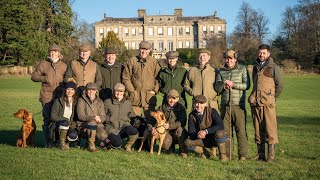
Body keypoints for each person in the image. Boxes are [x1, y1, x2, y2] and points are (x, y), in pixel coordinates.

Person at [248, 44, 283, 162]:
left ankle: (271, 156)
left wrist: (272, 97)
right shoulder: (255, 67)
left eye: (264, 53)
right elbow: (254, 83)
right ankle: (260, 154)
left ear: (268, 54)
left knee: (270, 129)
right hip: (255, 103)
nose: (261, 55)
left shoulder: (274, 67)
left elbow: (280, 86)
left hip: (268, 103)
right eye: (260, 52)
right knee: (258, 130)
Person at [215, 50, 250, 160]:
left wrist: (234, 85)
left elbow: (247, 85)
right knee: (226, 132)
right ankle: (228, 154)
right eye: (227, 58)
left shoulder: (242, 69)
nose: (229, 60)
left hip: (238, 105)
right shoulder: (220, 70)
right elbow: (217, 87)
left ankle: (242, 155)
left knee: (241, 131)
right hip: (225, 105)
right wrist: (223, 86)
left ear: (235, 59)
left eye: (231, 58)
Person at [31, 44, 67, 147]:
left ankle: (57, 141)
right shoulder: (43, 64)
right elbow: (34, 76)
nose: (53, 53)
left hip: (59, 96)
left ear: (59, 54)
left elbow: (66, 80)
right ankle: (48, 142)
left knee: (57, 118)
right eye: (51, 52)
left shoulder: (64, 66)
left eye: (55, 52)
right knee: (47, 119)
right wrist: (44, 79)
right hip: (46, 95)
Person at [122, 41, 160, 120]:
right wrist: (132, 90)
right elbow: (126, 77)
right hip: (135, 97)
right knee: (135, 123)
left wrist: (154, 91)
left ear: (149, 50)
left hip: (149, 98)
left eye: (146, 50)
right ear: (139, 49)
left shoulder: (154, 62)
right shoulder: (132, 60)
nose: (144, 52)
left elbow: (159, 78)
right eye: (142, 49)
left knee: (151, 123)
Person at [184, 95, 228, 161]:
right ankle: (205, 152)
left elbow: (220, 125)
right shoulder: (191, 115)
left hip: (214, 138)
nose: (198, 106)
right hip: (202, 140)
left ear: (205, 104)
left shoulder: (212, 111)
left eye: (201, 103)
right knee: (187, 142)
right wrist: (199, 135)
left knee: (220, 133)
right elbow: (191, 132)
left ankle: (223, 156)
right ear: (194, 104)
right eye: (196, 103)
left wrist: (206, 132)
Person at [103, 83, 139, 152]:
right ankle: (108, 142)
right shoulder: (107, 102)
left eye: (121, 91)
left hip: (123, 126)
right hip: (111, 127)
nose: (119, 93)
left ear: (124, 92)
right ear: (114, 91)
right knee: (117, 144)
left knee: (134, 131)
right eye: (117, 91)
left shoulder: (127, 103)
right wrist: (109, 121)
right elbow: (103, 115)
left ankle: (128, 146)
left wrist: (136, 119)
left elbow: (131, 115)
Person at [157, 89, 188, 157]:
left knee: (180, 130)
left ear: (177, 99)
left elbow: (182, 122)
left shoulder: (181, 108)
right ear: (167, 98)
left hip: (176, 131)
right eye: (169, 98)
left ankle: (183, 151)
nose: (171, 101)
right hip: (166, 132)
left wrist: (170, 125)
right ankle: (170, 149)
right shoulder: (162, 107)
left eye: (174, 98)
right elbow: (156, 119)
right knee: (165, 144)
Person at [77, 82, 106, 152]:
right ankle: (91, 146)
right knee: (92, 123)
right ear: (86, 91)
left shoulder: (100, 101)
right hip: (83, 124)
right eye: (89, 90)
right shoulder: (81, 100)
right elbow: (80, 116)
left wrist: (100, 119)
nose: (91, 92)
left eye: (93, 90)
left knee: (103, 135)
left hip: (97, 124)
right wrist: (93, 117)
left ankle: (95, 143)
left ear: (96, 91)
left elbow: (103, 116)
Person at [51, 81, 78, 150]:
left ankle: (67, 143)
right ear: (65, 90)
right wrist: (65, 119)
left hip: (69, 125)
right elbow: (53, 116)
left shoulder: (75, 102)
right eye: (68, 89)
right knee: (65, 122)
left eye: (72, 89)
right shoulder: (58, 101)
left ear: (74, 91)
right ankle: (61, 144)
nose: (70, 91)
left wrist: (72, 125)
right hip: (58, 125)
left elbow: (75, 118)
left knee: (73, 135)